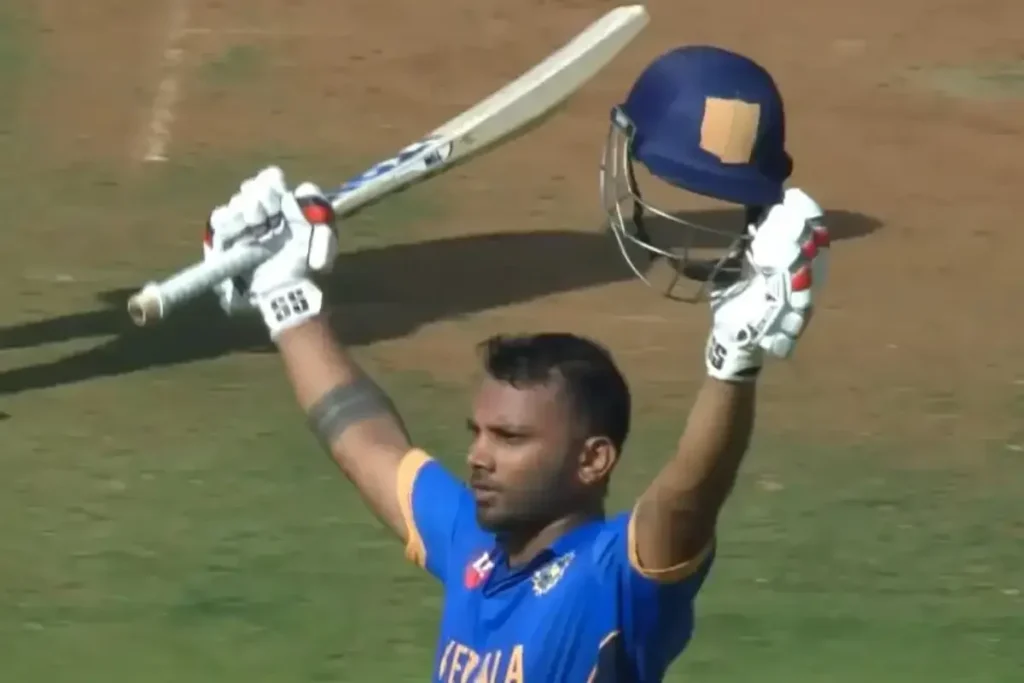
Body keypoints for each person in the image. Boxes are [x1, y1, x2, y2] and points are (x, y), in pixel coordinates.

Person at [201, 45, 830, 683]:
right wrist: (285, 300)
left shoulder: (612, 579)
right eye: (478, 432)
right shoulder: (474, 551)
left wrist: (733, 364)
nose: (478, 456)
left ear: (593, 460)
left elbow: (691, 496)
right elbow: (364, 440)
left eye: (509, 438)